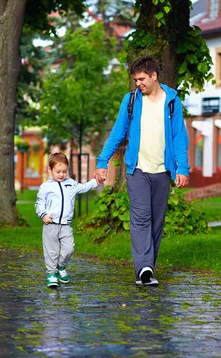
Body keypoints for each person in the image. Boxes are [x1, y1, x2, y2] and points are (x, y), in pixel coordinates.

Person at [94, 56, 190, 287]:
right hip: (137, 170)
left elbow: (179, 137)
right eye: (136, 79)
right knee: (141, 219)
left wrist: (182, 168)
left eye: (142, 79)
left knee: (157, 222)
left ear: (154, 76)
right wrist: (102, 161)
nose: (138, 83)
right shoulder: (131, 101)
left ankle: (148, 268)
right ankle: (143, 267)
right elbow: (118, 133)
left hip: (162, 171)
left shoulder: (172, 102)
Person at [35, 152, 101, 288]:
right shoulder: (46, 187)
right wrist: (43, 215)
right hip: (51, 224)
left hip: (66, 225)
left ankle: (61, 266)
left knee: (69, 249)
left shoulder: (71, 184)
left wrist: (96, 181)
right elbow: (39, 203)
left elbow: (84, 188)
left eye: (64, 171)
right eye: (58, 171)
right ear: (50, 170)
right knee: (51, 251)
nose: (61, 174)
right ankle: (51, 274)